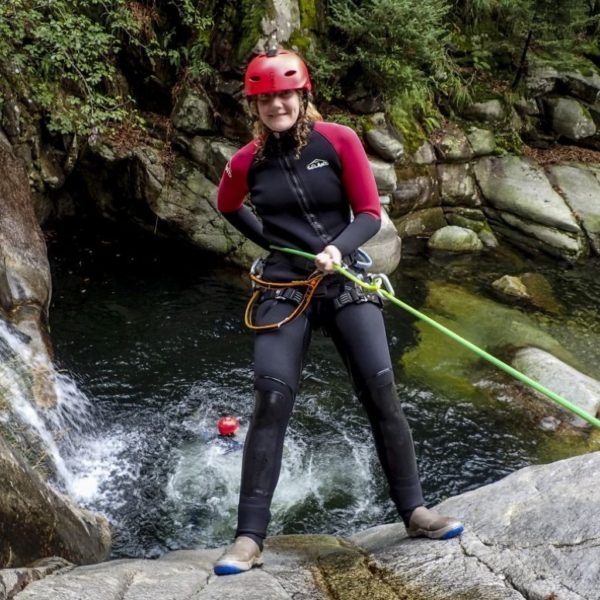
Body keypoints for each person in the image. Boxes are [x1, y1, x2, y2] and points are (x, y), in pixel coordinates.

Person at [213, 47, 463, 576]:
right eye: (265, 98)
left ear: (303, 96)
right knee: (271, 396)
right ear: (253, 105)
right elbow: (228, 205)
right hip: (285, 288)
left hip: (345, 280)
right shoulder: (245, 162)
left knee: (380, 389)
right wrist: (277, 246)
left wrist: (337, 249)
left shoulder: (339, 140)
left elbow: (370, 213)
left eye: (285, 94)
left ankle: (414, 511)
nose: (276, 104)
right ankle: (248, 539)